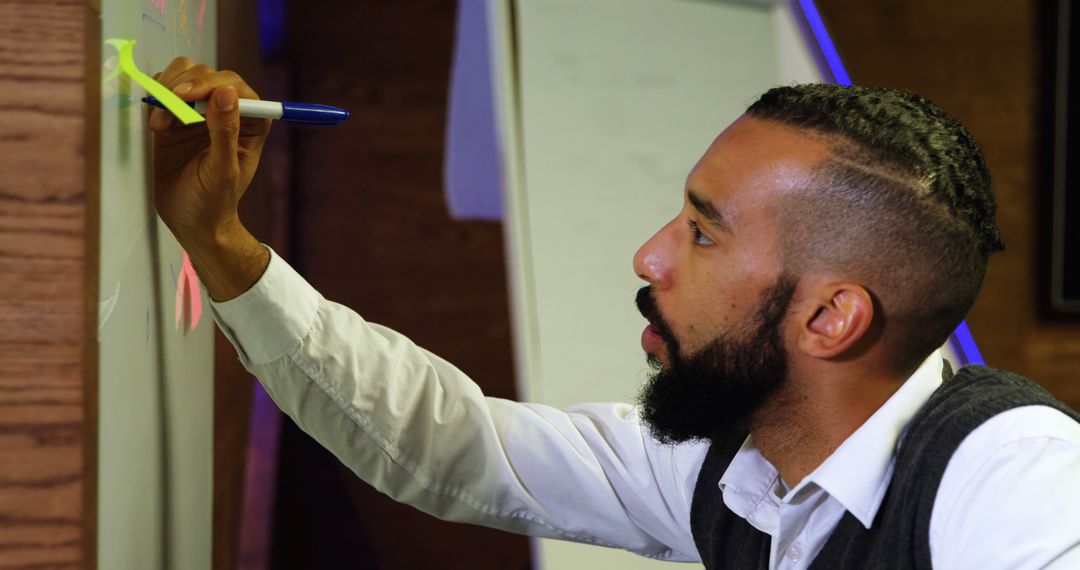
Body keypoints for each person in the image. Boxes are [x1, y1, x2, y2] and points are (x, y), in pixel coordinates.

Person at [148, 58, 1080, 569]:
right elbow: (453, 447)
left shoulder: (1014, 474)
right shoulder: (734, 469)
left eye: (703, 235)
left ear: (831, 319)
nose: (649, 257)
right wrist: (222, 244)